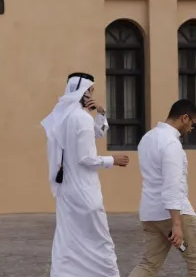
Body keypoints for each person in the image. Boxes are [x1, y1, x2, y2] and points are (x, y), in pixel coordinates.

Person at [41, 72, 131, 277]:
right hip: (84, 190)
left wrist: (100, 112)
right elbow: (86, 158)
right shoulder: (81, 118)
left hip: (68, 189)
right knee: (100, 239)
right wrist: (112, 160)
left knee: (68, 237)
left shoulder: (64, 117)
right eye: (92, 90)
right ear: (84, 91)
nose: (93, 94)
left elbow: (95, 133)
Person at [128, 99, 196, 276]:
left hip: (150, 213)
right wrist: (177, 224)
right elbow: (171, 185)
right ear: (185, 118)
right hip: (173, 215)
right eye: (192, 124)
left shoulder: (147, 138)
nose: (191, 129)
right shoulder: (171, 144)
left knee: (149, 264)